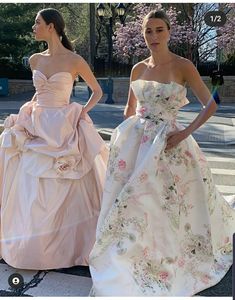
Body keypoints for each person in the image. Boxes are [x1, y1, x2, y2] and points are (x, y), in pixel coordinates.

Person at [89, 10, 235, 296]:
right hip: (136, 142)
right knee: (130, 202)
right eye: (148, 31)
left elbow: (212, 103)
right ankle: (128, 252)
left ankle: (169, 253)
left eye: (159, 30)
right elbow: (129, 109)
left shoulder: (183, 66)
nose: (153, 36)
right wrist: (124, 138)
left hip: (170, 141)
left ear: (169, 32)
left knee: (168, 202)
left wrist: (184, 133)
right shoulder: (138, 68)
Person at [0, 8, 108, 270]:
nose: (33, 27)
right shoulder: (35, 60)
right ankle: (28, 240)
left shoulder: (75, 60)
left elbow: (97, 91)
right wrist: (29, 109)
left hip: (63, 127)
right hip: (37, 125)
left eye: (37, 23)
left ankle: (67, 244)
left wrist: (79, 113)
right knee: (29, 185)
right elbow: (41, 92)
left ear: (51, 26)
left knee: (67, 184)